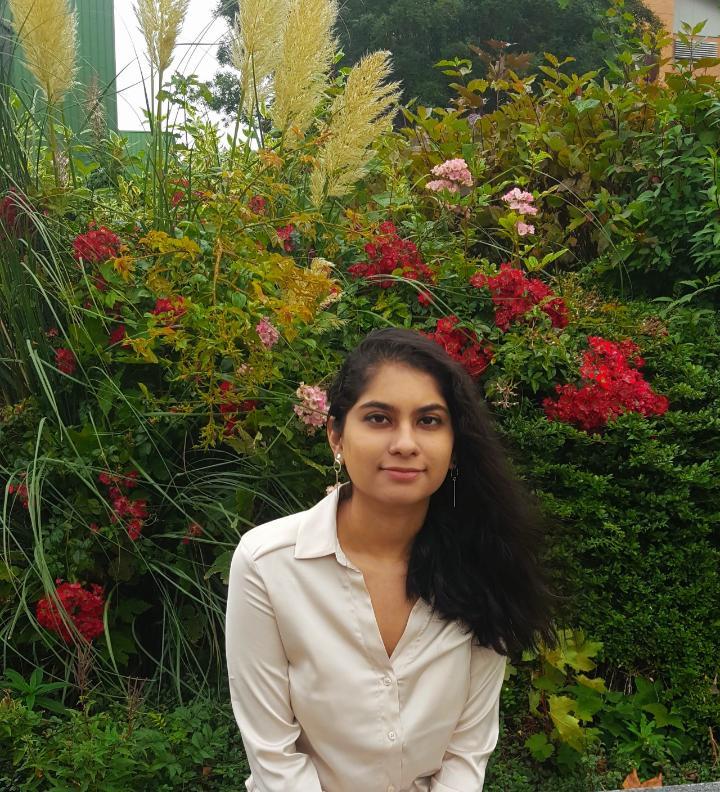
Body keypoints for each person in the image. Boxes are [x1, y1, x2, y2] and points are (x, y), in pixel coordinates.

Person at [225, 327, 558, 792]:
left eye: (428, 421)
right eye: (379, 419)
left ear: (454, 445)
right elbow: (273, 754)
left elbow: (467, 750)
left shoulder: (483, 563)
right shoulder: (267, 564)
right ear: (336, 435)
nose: (405, 443)